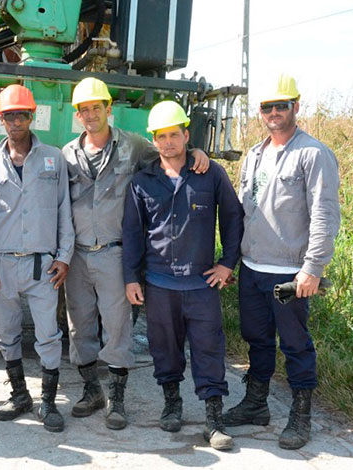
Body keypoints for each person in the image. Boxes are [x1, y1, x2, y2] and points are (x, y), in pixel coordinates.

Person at [62, 77, 210, 430]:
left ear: (108, 109)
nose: (90, 114)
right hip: (77, 255)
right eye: (84, 109)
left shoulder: (134, 147)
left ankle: (117, 399)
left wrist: (197, 153)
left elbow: (170, 155)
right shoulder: (67, 154)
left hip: (114, 254)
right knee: (79, 325)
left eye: (96, 107)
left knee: (117, 329)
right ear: (78, 116)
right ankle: (91, 390)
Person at [223, 74, 340, 450]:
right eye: (267, 107)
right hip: (253, 267)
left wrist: (313, 269)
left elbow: (324, 215)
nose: (273, 113)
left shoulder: (313, 154)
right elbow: (246, 208)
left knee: (294, 343)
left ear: (296, 107)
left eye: (281, 106)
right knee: (256, 338)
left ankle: (300, 414)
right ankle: (257, 403)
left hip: (290, 273)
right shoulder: (256, 154)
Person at [122, 101, 243, 450]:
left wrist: (228, 262)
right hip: (159, 284)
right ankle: (172, 403)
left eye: (175, 134)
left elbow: (233, 218)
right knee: (165, 348)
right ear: (154, 141)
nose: (169, 142)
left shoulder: (211, 174)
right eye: (161, 136)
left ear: (186, 135)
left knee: (208, 348)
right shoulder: (142, 182)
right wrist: (132, 277)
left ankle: (213, 418)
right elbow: (132, 232)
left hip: (201, 283)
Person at [0, 84, 75, 433]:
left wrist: (64, 257)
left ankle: (47, 402)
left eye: (22, 114)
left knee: (48, 334)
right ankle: (19, 395)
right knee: (6, 334)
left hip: (42, 265)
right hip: (0, 265)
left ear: (33, 117)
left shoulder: (53, 158)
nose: (16, 121)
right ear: (0, 119)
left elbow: (64, 210)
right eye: (9, 115)